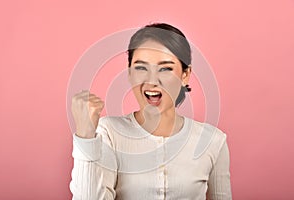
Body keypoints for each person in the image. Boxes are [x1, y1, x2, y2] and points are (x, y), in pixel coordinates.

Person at [70, 23, 232, 200]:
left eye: (166, 69)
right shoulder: (109, 132)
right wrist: (85, 137)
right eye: (141, 67)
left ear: (185, 75)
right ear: (130, 73)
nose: (152, 80)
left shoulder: (213, 141)